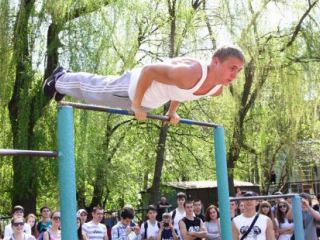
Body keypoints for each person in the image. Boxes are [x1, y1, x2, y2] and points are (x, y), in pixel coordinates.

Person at [43, 45, 245, 124]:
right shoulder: (190, 72)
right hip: (134, 88)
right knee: (94, 90)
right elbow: (149, 71)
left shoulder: (216, 89)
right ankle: (60, 79)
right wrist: (137, 104)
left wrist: (172, 112)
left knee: (93, 91)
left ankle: (63, 84)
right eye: (232, 67)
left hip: (150, 99)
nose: (234, 75)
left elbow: (182, 92)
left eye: (239, 70)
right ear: (216, 62)